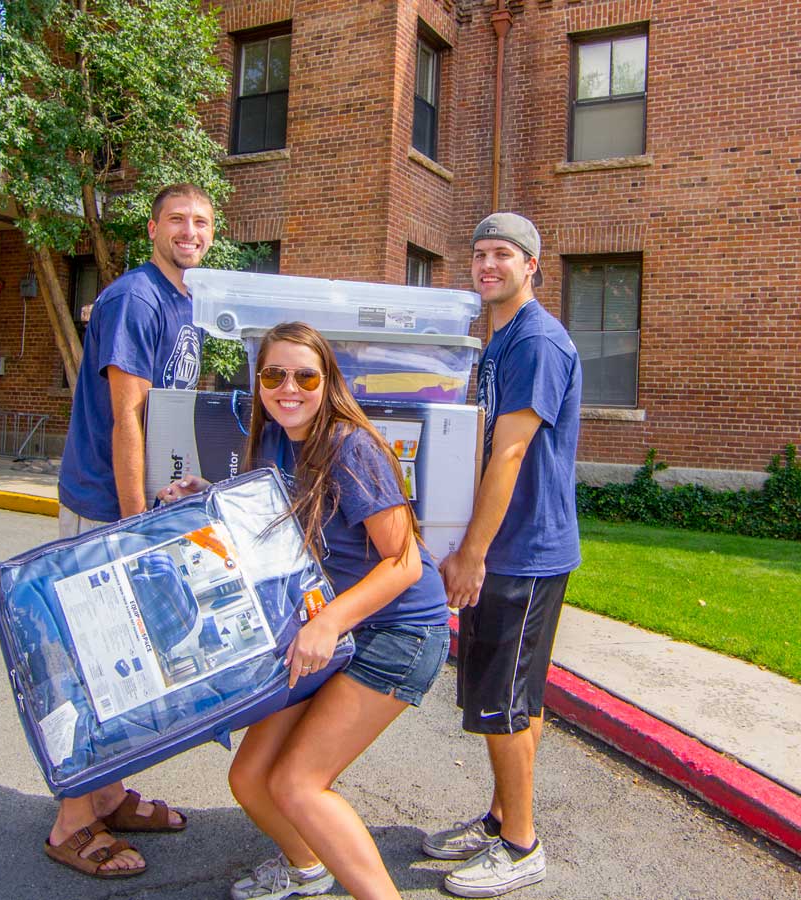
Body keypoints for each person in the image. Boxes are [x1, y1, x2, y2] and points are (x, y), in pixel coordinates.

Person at [158, 322, 451, 900]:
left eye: (304, 376)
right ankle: (306, 866)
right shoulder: (272, 439)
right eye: (273, 375)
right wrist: (208, 493)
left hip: (398, 629)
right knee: (249, 779)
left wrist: (326, 623)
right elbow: (275, 519)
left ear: (327, 381)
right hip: (335, 625)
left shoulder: (351, 447)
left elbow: (405, 563)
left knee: (297, 783)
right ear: (259, 380)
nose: (288, 387)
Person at [42, 183, 214, 880]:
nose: (190, 231)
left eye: (201, 222)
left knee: (139, 667)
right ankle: (70, 822)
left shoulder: (186, 301)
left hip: (140, 503)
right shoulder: (135, 299)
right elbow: (128, 418)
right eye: (178, 219)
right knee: (100, 663)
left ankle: (108, 794)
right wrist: (135, 521)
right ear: (152, 228)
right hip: (106, 505)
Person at [421, 213, 582, 898]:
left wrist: (472, 553)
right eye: (480, 254)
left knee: (504, 703)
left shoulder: (538, 341)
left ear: (532, 265)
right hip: (515, 547)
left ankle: (521, 846)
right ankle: (500, 818)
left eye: (504, 255)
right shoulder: (502, 341)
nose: (489, 265)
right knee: (517, 697)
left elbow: (511, 450)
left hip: (522, 551)